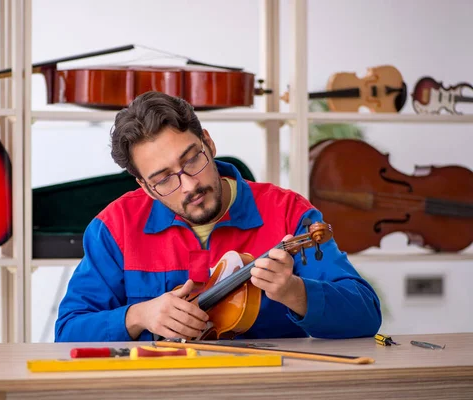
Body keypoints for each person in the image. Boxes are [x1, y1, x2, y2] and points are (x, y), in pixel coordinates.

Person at [55, 91, 382, 342]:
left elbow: (365, 314)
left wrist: (295, 292)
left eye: (192, 160)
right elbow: (68, 331)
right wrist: (138, 316)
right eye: (164, 179)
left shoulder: (287, 212)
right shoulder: (114, 227)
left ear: (208, 143)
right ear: (145, 185)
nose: (190, 186)